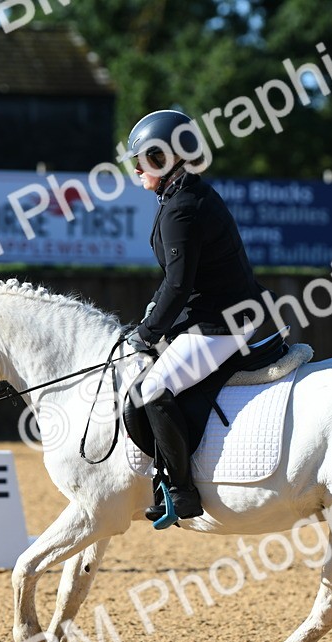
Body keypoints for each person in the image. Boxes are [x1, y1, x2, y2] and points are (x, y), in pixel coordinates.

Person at [122, 109, 273, 528]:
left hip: (221, 322)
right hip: (218, 313)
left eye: (145, 159)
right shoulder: (186, 195)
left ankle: (182, 491)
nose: (137, 168)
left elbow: (177, 286)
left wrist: (146, 332)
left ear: (167, 158)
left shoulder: (182, 208)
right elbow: (175, 284)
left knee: (153, 388)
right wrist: (150, 320)